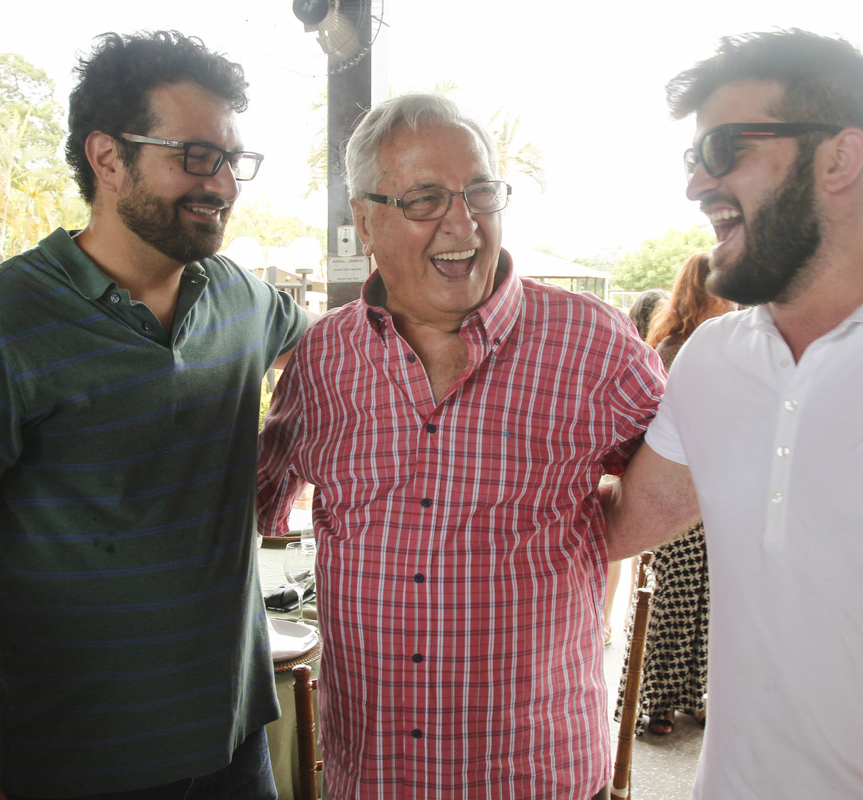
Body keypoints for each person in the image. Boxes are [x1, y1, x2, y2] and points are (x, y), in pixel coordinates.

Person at [0, 31, 308, 800]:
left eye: (233, 160)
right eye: (196, 156)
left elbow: (346, 355)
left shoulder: (241, 299)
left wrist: (288, 454)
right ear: (107, 158)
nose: (225, 184)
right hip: (65, 769)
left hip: (234, 749)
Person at [257, 93, 682, 799]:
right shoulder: (321, 359)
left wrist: (575, 533)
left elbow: (676, 481)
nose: (463, 221)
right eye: (424, 199)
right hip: (375, 773)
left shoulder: (593, 342)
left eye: (480, 191)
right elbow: (257, 500)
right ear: (364, 220)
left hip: (533, 771)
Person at [607, 29, 863, 797]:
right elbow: (625, 520)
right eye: (692, 158)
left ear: (841, 158)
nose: (695, 185)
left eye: (723, 148)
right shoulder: (712, 359)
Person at [612, 254, 732, 736]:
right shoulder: (677, 347)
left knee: (703, 604)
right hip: (677, 485)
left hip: (711, 490)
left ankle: (692, 694)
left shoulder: (713, 343)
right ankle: (652, 705)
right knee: (672, 604)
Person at [601, 287, 669, 646]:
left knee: (629, 554)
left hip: (635, 462)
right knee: (618, 551)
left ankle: (619, 617)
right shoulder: (643, 351)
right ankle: (611, 616)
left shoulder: (644, 349)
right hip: (628, 463)